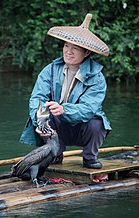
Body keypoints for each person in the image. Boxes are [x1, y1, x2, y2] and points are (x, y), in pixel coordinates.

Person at [19, 13, 111, 169]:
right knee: (46, 116)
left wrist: (64, 109)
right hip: (57, 126)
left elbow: (89, 108)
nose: (68, 51)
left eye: (75, 48)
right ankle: (55, 153)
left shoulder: (97, 77)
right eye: (66, 46)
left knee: (98, 123)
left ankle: (89, 157)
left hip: (82, 126)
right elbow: (38, 97)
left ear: (86, 52)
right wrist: (40, 122)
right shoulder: (51, 70)